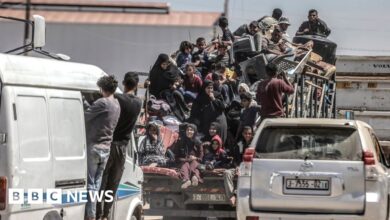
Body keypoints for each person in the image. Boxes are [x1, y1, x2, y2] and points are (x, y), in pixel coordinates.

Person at [96, 72, 142, 220]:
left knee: (101, 181)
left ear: (123, 83)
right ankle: (105, 214)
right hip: (122, 149)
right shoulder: (138, 103)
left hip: (108, 145)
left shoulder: (117, 98)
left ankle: (97, 212)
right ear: (135, 86)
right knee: (113, 184)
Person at [85, 75, 121, 220]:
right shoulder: (117, 105)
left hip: (94, 147)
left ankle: (91, 215)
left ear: (102, 88)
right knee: (98, 183)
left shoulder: (102, 102)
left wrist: (84, 103)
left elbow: (86, 115)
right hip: (106, 148)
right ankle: (94, 213)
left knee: (91, 184)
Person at [224, 126, 254, 207]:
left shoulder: (254, 144)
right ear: (242, 134)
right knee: (227, 173)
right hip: (239, 167)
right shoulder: (239, 144)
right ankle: (231, 197)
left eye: (249, 134)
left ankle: (235, 195)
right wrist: (237, 166)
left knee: (243, 175)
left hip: (250, 168)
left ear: (252, 134)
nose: (247, 135)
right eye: (246, 133)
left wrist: (242, 168)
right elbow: (235, 158)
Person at [172, 123, 204, 189]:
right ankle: (187, 180)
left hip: (194, 162)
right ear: (185, 131)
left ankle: (194, 177)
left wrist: (195, 158)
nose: (189, 131)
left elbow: (201, 158)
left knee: (194, 163)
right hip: (184, 161)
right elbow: (176, 157)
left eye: (191, 130)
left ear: (194, 131)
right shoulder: (180, 141)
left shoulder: (198, 143)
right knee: (185, 164)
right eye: (188, 130)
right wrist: (186, 159)